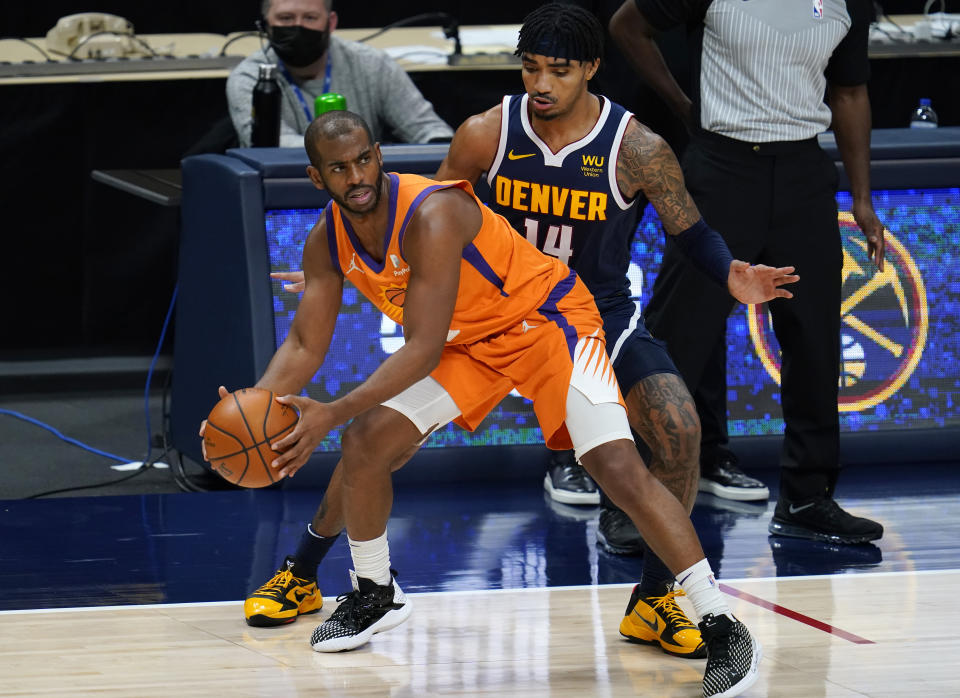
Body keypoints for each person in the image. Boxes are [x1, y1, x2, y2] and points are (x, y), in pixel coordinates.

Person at [205, 107, 774, 695]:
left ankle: (722, 623)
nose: (356, 177)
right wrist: (258, 400)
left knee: (617, 468)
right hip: (471, 343)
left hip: (550, 322)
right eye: (339, 169)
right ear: (316, 177)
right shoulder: (327, 239)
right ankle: (375, 592)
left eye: (363, 159)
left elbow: (421, 349)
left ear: (379, 154)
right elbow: (303, 341)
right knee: (366, 441)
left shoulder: (432, 212)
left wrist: (328, 410)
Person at [432, 1, 794, 658]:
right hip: (505, 322)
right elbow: (435, 223)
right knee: (382, 431)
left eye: (559, 71)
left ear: (593, 69)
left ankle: (656, 601)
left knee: (679, 428)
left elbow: (691, 230)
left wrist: (732, 273)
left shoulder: (638, 147)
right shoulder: (485, 134)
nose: (541, 84)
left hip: (595, 320)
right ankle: (329, 571)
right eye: (530, 68)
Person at [609, 0, 886, 543]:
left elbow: (851, 92)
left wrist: (862, 199)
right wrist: (682, 103)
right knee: (677, 338)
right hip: (722, 167)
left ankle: (807, 497)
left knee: (814, 342)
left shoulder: (848, 2)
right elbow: (626, 25)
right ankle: (634, 502)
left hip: (803, 170)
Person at [227, 0, 453, 148]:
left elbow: (428, 128)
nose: (298, 27)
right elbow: (271, 146)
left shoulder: (372, 64)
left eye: (310, 18)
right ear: (265, 26)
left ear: (331, 22)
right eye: (286, 19)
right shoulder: (249, 79)